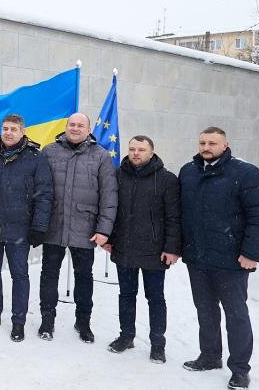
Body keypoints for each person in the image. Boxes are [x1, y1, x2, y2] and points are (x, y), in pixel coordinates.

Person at [179, 127, 259, 390]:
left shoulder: (245, 173)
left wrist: (252, 253)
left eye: (212, 142)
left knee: (236, 315)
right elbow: (180, 213)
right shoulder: (189, 172)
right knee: (205, 310)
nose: (206, 146)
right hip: (197, 258)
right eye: (202, 142)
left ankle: (240, 369)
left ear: (225, 145)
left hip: (231, 260)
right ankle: (210, 356)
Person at [38, 112, 117, 343]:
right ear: (66, 127)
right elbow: (39, 189)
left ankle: (83, 323)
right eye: (71, 124)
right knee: (49, 275)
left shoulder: (100, 156)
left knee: (84, 277)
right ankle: (47, 320)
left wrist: (104, 230)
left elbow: (109, 196)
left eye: (80, 125)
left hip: (86, 229)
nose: (75, 128)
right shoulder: (49, 151)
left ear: (88, 129)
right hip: (54, 226)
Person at [102, 135, 180, 363]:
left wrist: (171, 248)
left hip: (154, 251)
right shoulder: (117, 175)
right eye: (132, 149)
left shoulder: (166, 179)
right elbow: (111, 210)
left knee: (155, 298)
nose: (136, 153)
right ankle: (126, 336)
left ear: (152, 151)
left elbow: (174, 217)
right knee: (126, 295)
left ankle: (158, 344)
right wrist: (108, 237)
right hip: (124, 247)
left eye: (141, 149)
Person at [0, 113, 53, 342]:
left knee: (19, 274)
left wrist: (39, 226)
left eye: (13, 129)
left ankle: (18, 320)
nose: (8, 133)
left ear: (22, 131)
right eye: (5, 128)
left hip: (20, 228)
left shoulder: (35, 157)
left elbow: (44, 194)